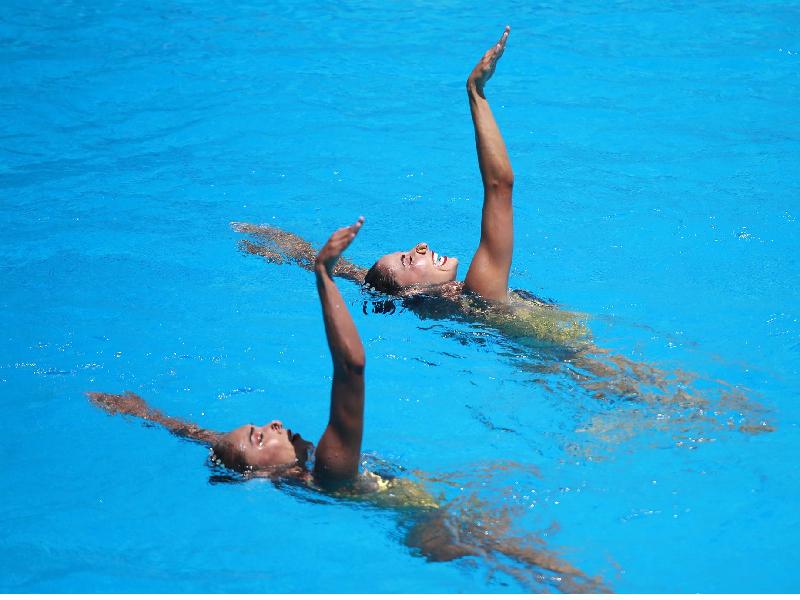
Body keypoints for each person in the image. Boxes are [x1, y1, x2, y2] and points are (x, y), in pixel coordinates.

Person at [88, 216, 611, 592]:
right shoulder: (330, 469)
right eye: (259, 437)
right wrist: (320, 275)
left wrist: (146, 414)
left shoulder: (291, 468)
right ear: (259, 473)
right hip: (441, 528)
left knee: (549, 574)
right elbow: (352, 370)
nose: (271, 424)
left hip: (433, 513)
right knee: (555, 576)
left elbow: (211, 443)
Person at [363, 26, 514, 302]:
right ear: (411, 291)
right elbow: (500, 186)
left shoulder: (423, 302)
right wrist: (475, 91)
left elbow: (361, 277)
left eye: (405, 253)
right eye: (408, 261)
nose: (419, 246)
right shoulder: (478, 297)